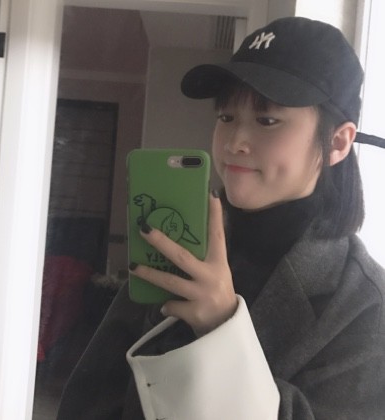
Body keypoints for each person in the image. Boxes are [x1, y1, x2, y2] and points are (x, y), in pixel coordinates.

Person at [57, 16, 385, 419]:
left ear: (338, 141)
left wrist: (221, 330)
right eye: (227, 117)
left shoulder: (363, 304)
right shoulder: (183, 242)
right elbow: (91, 397)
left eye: (267, 120)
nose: (235, 142)